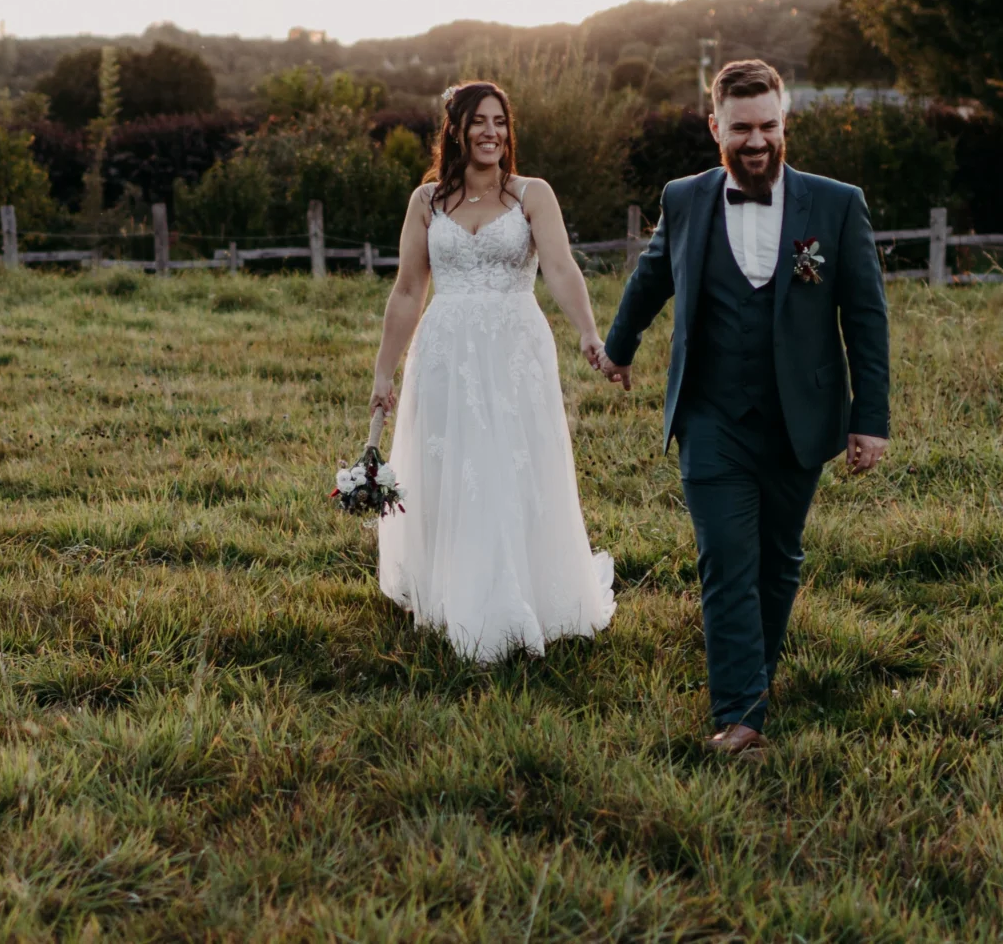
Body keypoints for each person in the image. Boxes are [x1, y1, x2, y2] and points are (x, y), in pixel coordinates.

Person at [598, 59, 890, 755]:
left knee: (777, 560)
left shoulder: (836, 204)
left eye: (768, 126)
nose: (756, 140)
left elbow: (867, 316)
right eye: (741, 128)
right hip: (711, 415)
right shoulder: (684, 198)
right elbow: (651, 277)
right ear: (715, 127)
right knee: (725, 559)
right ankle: (742, 715)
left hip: (803, 415)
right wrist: (618, 348)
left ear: (784, 123)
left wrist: (869, 417)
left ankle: (752, 683)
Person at [367, 80, 616, 661]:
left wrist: (587, 331)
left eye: (500, 121)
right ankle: (457, 591)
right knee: (457, 467)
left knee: (510, 464)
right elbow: (407, 291)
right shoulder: (426, 202)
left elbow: (559, 267)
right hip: (445, 354)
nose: (491, 132)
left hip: (514, 351)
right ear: (455, 129)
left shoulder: (532, 194)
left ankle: (520, 594)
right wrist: (384, 371)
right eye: (479, 121)